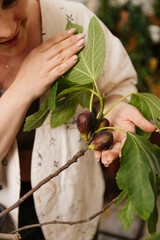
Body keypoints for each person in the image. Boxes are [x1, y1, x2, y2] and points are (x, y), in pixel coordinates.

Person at [0, 0, 156, 239]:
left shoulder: (72, 19)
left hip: (74, 209)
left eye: (10, 1)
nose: (8, 28)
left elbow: (120, 82)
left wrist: (117, 106)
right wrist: (23, 88)